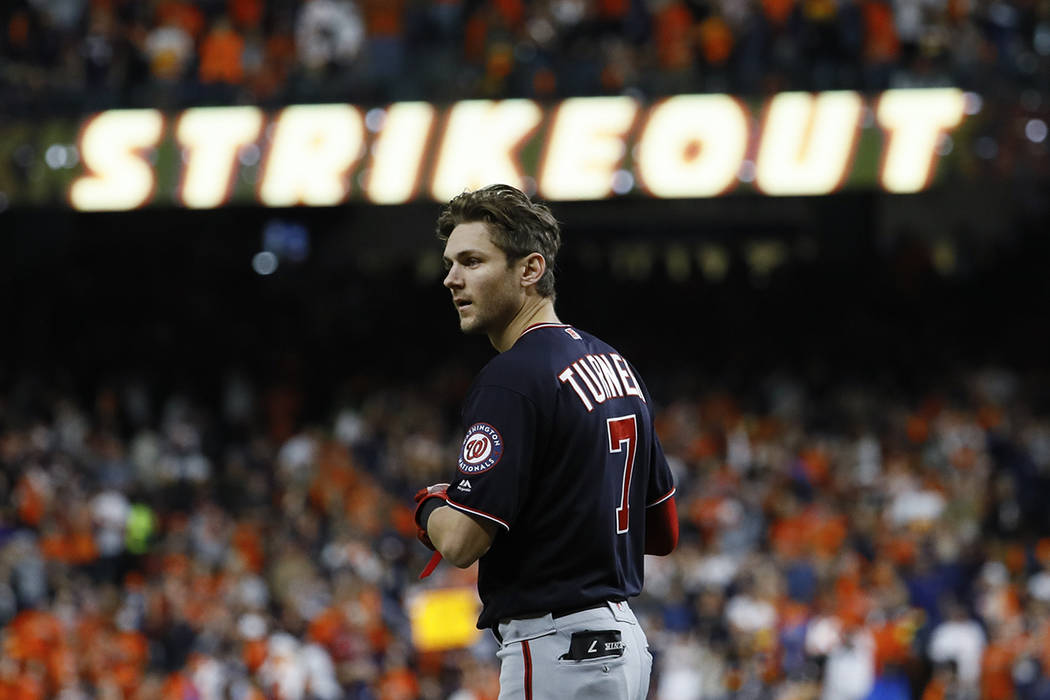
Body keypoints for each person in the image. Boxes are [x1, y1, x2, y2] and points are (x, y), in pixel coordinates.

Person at [412, 184, 679, 700]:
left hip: (557, 647)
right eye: (450, 263)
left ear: (530, 270)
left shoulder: (511, 378)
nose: (451, 279)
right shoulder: (615, 364)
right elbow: (662, 531)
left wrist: (428, 507)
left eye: (471, 261)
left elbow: (461, 541)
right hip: (623, 644)